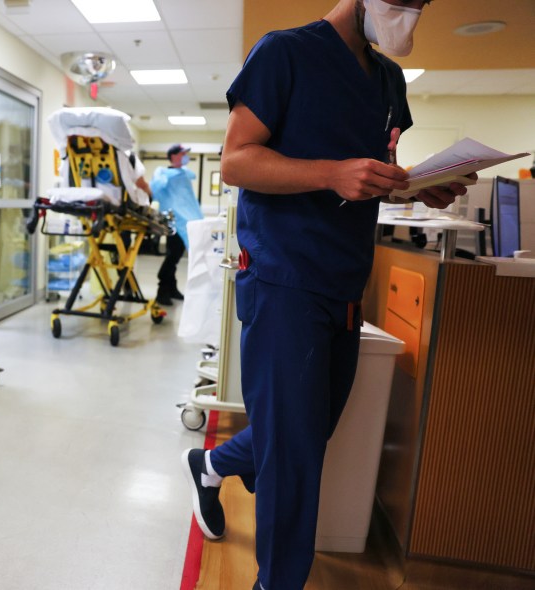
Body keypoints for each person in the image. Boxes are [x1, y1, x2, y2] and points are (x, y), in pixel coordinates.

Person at [180, 1, 473, 589]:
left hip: (343, 282)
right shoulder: (284, 52)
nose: (411, 14)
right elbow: (237, 162)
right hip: (284, 279)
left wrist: (414, 187)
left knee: (306, 437)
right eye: (403, 2)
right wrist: (331, 172)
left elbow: (370, 174)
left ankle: (211, 463)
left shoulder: (388, 79)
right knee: (294, 466)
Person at [151, 144, 204, 305]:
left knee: (176, 256)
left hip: (188, 221)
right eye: (182, 153)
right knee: (172, 256)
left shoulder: (184, 174)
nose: (185, 156)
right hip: (174, 222)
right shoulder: (163, 173)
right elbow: (155, 189)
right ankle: (162, 291)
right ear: (173, 156)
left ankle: (172, 289)